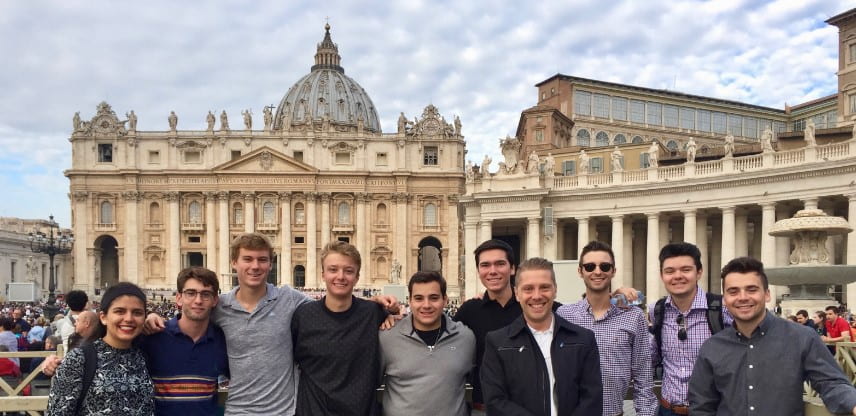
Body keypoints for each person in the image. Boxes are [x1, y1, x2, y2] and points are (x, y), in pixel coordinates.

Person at [144, 233, 397, 415]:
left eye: (262, 260)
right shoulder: (218, 306)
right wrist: (158, 320)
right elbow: (193, 312)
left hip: (285, 411)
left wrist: (378, 305)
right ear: (234, 262)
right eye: (248, 259)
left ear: (270, 264)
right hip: (238, 411)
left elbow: (334, 302)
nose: (255, 266)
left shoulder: (290, 300)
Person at [689, 257, 856, 415]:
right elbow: (702, 406)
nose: (743, 297)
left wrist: (852, 402)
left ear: (767, 294)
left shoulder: (802, 338)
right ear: (724, 299)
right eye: (733, 291)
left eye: (751, 289)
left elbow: (831, 382)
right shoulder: (712, 347)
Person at [480, 257, 602, 415]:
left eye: (544, 287)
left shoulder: (583, 339)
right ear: (517, 293)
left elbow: (592, 398)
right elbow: (495, 401)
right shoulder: (497, 342)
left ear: (555, 290)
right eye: (528, 289)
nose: (536, 296)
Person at [556, 241, 656, 416]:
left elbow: (643, 375)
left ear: (613, 271)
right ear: (580, 272)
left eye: (604, 266)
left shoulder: (634, 316)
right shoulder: (564, 315)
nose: (597, 271)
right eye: (589, 266)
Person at [291, 241, 388, 415]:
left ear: (357, 277)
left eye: (348, 271)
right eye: (333, 269)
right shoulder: (303, 316)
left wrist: (393, 311)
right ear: (323, 274)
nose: (341, 277)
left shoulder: (373, 313)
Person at [650, 242, 732, 416]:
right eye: (670, 271)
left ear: (699, 272)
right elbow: (651, 356)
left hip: (713, 411)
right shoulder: (657, 310)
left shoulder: (723, 310)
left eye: (686, 270)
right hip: (668, 409)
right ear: (661, 275)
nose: (677, 276)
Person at [47, 282, 154, 415]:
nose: (128, 318)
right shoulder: (79, 359)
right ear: (103, 317)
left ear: (145, 318)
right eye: (119, 311)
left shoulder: (147, 355)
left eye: (137, 313)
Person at [379, 271, 475, 416]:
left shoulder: (466, 337)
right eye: (418, 298)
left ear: (445, 300)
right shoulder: (387, 337)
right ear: (409, 301)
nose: (426, 305)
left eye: (434, 298)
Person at [138, 266, 228, 416]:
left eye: (206, 294)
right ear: (178, 298)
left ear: (215, 300)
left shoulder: (223, 340)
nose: (198, 300)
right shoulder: (153, 335)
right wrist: (143, 321)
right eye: (191, 293)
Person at [452, 239, 521, 412]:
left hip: (528, 408)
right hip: (482, 408)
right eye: (485, 265)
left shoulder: (533, 306)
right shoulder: (469, 310)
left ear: (512, 268)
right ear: (478, 271)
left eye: (500, 264)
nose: (492, 271)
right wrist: (388, 315)